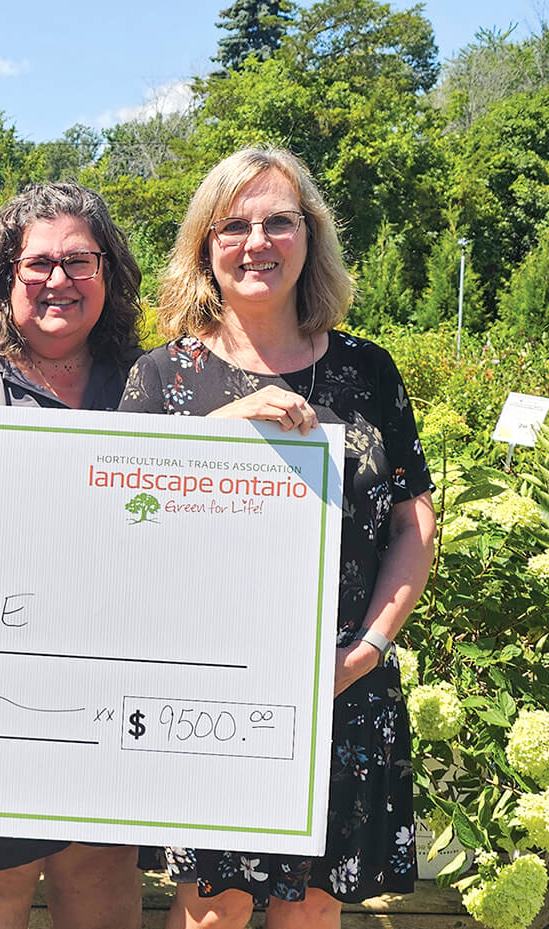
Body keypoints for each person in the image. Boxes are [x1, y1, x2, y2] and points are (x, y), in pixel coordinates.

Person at [119, 147, 437, 929]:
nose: (256, 240)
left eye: (278, 221)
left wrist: (363, 652)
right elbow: (123, 522)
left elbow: (414, 522)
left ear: (310, 237)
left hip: (341, 683)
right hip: (211, 694)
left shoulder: (369, 372)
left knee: (312, 913)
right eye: (234, 224)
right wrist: (217, 432)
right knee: (212, 915)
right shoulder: (164, 379)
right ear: (206, 245)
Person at [0, 183, 144, 929]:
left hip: (112, 694)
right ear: (4, 276)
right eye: (37, 262)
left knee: (102, 883)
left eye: (80, 261)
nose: (58, 279)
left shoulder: (147, 383)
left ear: (109, 274)